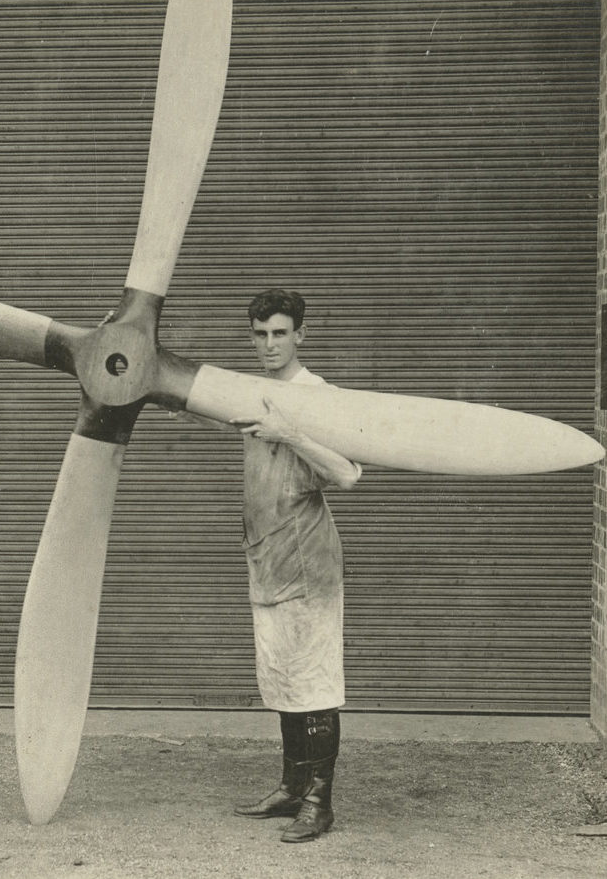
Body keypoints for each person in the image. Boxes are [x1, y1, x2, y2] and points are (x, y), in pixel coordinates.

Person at [180, 288, 361, 843]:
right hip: (266, 559)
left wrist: (292, 434)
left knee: (315, 684)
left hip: (308, 562)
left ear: (300, 335)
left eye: (280, 333)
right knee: (282, 678)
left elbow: (350, 473)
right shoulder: (252, 392)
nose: (269, 344)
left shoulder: (318, 394)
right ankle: (290, 787)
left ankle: (318, 803)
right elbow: (190, 401)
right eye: (260, 334)